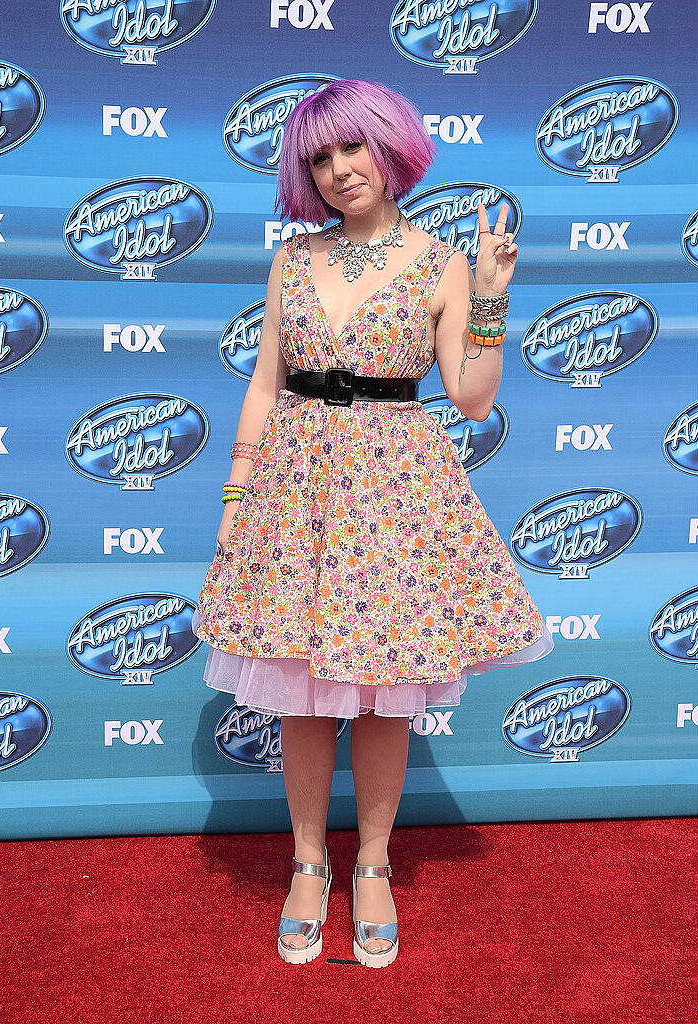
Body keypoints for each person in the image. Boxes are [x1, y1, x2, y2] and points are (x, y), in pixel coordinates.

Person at [191, 79, 553, 968]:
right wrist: (237, 496)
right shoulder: (292, 258)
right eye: (319, 157)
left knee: (386, 696)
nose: (339, 169)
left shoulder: (441, 263)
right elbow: (266, 383)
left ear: (389, 149)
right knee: (305, 693)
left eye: (351, 149)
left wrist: (497, 296)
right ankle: (309, 862)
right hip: (297, 486)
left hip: (395, 486)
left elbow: (469, 398)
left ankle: (376, 864)